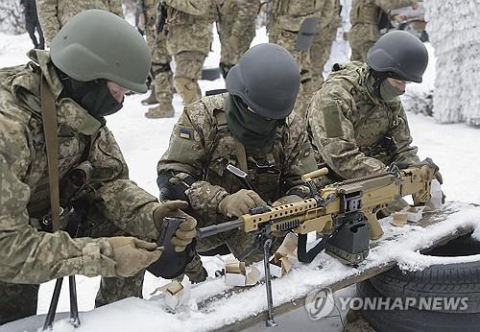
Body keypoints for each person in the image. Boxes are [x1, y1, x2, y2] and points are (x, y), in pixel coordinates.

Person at [0, 10, 196, 325]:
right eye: (119, 89)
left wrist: (152, 215)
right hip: (9, 243)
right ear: (87, 73)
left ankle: (117, 322)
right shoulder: (8, 126)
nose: (123, 100)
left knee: (128, 225)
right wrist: (101, 255)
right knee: (11, 321)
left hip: (31, 229)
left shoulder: (75, 107)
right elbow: (4, 247)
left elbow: (110, 182)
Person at [157, 43, 318, 282]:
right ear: (240, 98)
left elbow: (308, 182)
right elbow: (171, 178)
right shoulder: (202, 117)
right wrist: (222, 201)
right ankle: (195, 280)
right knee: (164, 219)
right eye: (257, 113)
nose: (264, 122)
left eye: (271, 118)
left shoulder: (290, 126)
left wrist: (287, 206)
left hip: (264, 230)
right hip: (204, 226)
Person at [307, 31, 437, 182]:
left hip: (375, 180)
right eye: (399, 82)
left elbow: (402, 147)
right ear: (380, 74)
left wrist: (419, 172)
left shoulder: (387, 96)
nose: (402, 89)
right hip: (330, 185)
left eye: (406, 83)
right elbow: (341, 158)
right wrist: (389, 175)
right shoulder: (333, 98)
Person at [163, 0, 215, 110]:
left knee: (183, 81)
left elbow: (200, 7)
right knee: (190, 82)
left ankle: (196, 120)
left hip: (194, 42)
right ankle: (200, 119)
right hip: (182, 43)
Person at [349, 0, 418, 62]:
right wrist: (411, 2)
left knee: (355, 69)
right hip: (367, 34)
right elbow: (389, 3)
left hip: (354, 34)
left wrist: (392, 17)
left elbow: (366, 12)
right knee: (372, 66)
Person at [140, 0, 175, 119]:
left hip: (160, 28)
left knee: (160, 65)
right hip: (152, 26)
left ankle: (165, 104)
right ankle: (157, 93)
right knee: (155, 63)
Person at [36, 0, 124, 47]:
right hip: (71, 38)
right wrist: (54, 41)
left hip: (104, 33)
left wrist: (120, 32)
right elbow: (46, 8)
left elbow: (116, 6)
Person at [215, 0, 260, 78]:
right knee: (225, 65)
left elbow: (248, 10)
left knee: (237, 67)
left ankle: (241, 88)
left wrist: (235, 34)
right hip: (226, 32)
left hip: (240, 35)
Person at [310, 0, 342, 91]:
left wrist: (310, 28)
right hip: (318, 35)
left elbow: (326, 16)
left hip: (320, 37)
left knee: (314, 72)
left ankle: (315, 100)